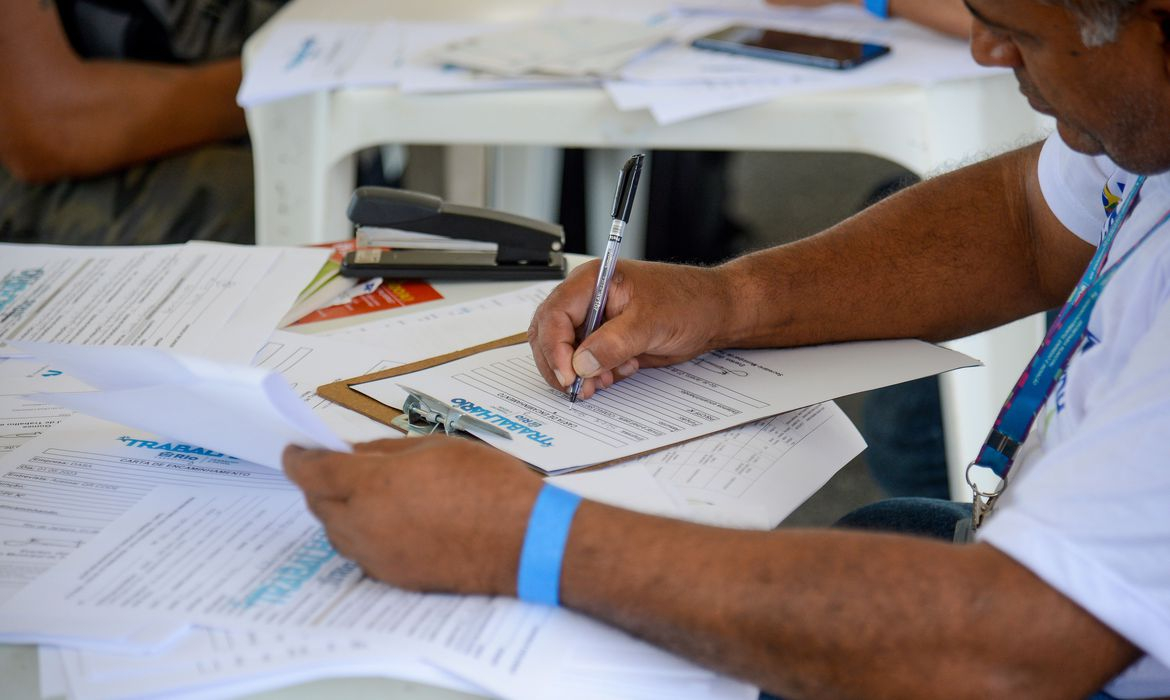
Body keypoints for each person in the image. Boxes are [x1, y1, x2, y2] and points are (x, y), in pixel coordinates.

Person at [283, 1, 1170, 697]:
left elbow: (1008, 649)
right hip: (1037, 603)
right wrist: (728, 298)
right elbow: (1030, 221)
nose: (983, 50)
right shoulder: (1145, 115)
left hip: (1043, 650)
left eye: (1020, 34)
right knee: (876, 534)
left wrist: (522, 539)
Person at [0, 0, 280, 245]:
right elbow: (49, 129)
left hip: (249, 66)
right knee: (266, 196)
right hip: (46, 172)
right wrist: (280, 90)